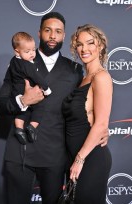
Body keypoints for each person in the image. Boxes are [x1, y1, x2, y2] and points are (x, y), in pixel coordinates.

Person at [0, 12, 109, 204]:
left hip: (55, 156)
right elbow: (0, 105)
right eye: (48, 30)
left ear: (64, 36)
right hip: (19, 153)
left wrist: (101, 130)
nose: (53, 36)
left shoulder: (74, 69)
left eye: (58, 32)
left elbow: (82, 109)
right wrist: (23, 100)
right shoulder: (18, 63)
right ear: (39, 33)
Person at [62, 24, 112, 203]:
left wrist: (80, 160)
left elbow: (100, 124)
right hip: (76, 158)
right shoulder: (82, 79)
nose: (84, 49)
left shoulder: (101, 77)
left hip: (90, 159)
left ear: (100, 46)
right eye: (80, 44)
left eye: (90, 43)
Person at [8, 31, 52, 144]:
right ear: (17, 51)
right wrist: (46, 89)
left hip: (16, 92)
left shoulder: (13, 61)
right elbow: (37, 77)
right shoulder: (27, 64)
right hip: (27, 91)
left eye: (33, 49)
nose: (32, 54)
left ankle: (19, 128)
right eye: (27, 51)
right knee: (40, 107)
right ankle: (32, 127)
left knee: (22, 110)